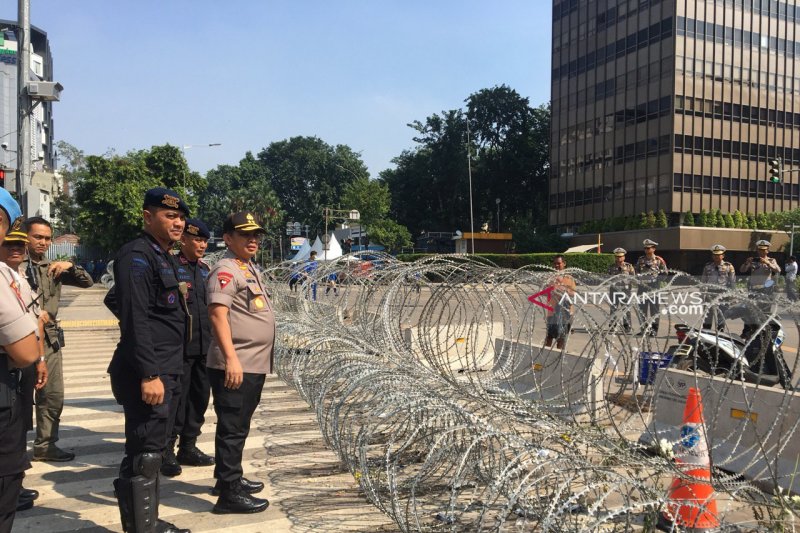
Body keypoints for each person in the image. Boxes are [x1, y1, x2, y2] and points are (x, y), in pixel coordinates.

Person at [105, 188, 191, 533]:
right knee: (145, 455)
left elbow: (120, 299)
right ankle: (144, 528)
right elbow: (134, 316)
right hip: (150, 372)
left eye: (181, 217)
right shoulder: (137, 255)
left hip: (167, 367)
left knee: (150, 450)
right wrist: (149, 373)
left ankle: (147, 522)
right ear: (147, 216)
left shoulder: (163, 255)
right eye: (170, 216)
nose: (178, 223)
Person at [206, 211, 274, 514]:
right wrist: (231, 359)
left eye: (256, 234)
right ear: (228, 238)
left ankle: (228, 479)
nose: (253, 239)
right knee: (233, 428)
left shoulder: (246, 268)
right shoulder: (226, 269)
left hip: (251, 363)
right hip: (236, 365)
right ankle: (229, 494)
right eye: (245, 234)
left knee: (238, 426)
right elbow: (217, 314)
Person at [21, 216, 93, 462]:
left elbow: (88, 282)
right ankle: (14, 450)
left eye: (47, 238)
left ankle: (45, 445)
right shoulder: (13, 264)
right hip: (17, 338)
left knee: (51, 395)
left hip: (49, 339)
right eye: (37, 237)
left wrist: (69, 266)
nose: (42, 242)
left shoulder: (53, 268)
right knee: (15, 398)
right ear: (24, 236)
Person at [0, 224, 48, 515]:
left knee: (19, 427)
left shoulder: (21, 277)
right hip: (9, 364)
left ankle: (14, 485)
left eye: (20, 245)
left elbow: (36, 318)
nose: (17, 249)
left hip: (25, 364)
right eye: (9, 245)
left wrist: (40, 359)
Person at [161, 219, 215, 477]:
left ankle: (189, 445)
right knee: (176, 403)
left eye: (205, 241)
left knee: (199, 399)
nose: (202, 245)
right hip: (179, 349)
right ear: (184, 240)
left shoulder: (205, 270)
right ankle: (167, 449)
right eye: (197, 240)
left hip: (205, 348)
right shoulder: (170, 265)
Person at [635, 239, 668, 336]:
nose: (646, 250)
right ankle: (643, 330)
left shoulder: (659, 260)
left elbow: (665, 273)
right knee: (642, 309)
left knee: (654, 310)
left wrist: (657, 280)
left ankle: (654, 330)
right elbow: (636, 272)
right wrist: (638, 278)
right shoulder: (641, 260)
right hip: (642, 287)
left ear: (654, 249)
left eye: (648, 248)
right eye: (645, 248)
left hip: (654, 286)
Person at [700, 244, 736, 330]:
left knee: (722, 314)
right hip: (710, 292)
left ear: (723, 256)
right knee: (708, 314)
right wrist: (702, 293)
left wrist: (732, 295)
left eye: (718, 255)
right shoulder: (708, 266)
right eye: (714, 255)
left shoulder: (728, 266)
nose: (716, 257)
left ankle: (720, 332)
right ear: (712, 256)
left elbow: (732, 281)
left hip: (722, 293)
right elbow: (703, 280)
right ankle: (706, 332)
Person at [544, 255, 576, 349]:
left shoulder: (569, 278)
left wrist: (563, 290)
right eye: (555, 263)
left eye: (559, 263)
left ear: (564, 263)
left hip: (566, 313)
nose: (556, 265)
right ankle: (546, 359)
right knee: (549, 338)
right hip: (552, 312)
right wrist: (551, 290)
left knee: (561, 339)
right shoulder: (550, 277)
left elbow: (573, 293)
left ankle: (557, 359)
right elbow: (543, 291)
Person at [607, 248, 635, 333]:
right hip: (614, 290)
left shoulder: (629, 266)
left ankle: (627, 326)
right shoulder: (611, 267)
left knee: (626, 309)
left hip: (625, 290)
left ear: (624, 257)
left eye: (620, 257)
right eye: (617, 257)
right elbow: (607, 278)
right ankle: (612, 325)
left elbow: (633, 278)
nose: (619, 258)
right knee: (613, 309)